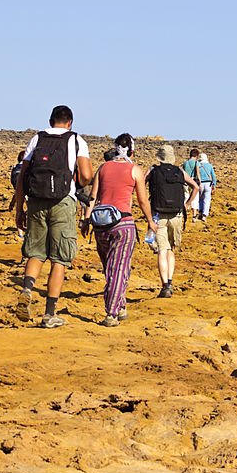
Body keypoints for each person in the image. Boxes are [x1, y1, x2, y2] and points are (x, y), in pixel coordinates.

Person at [12, 105, 93, 328]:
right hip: (63, 202)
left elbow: (22, 177)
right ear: (70, 122)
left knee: (36, 252)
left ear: (51, 120)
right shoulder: (76, 140)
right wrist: (78, 182)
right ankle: (49, 313)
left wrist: (20, 209)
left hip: (36, 200)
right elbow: (86, 175)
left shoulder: (37, 139)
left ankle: (27, 289)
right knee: (59, 258)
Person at [83, 133, 158, 327]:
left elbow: (93, 196)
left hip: (100, 224)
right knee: (119, 268)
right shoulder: (135, 171)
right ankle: (112, 312)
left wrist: (85, 220)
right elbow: (142, 201)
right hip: (123, 224)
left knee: (110, 268)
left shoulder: (103, 168)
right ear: (132, 150)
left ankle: (120, 305)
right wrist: (150, 222)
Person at [146, 145, 199, 298]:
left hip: (158, 214)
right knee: (171, 249)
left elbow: (140, 184)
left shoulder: (153, 170)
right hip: (177, 215)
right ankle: (170, 280)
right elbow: (196, 187)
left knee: (161, 250)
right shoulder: (179, 171)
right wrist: (187, 204)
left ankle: (165, 286)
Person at [8, 150, 27, 237]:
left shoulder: (15, 169)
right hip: (28, 188)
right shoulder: (29, 167)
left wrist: (12, 203)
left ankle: (20, 234)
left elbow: (17, 192)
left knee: (19, 210)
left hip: (18, 186)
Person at [195, 152, 217, 221]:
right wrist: (214, 184)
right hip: (208, 184)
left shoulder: (198, 164)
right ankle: (204, 215)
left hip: (200, 183)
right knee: (207, 199)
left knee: (200, 198)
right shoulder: (209, 165)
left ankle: (200, 212)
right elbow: (213, 176)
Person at [181, 148, 200, 218]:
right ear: (197, 155)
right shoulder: (196, 163)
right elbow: (197, 173)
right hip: (193, 180)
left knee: (186, 195)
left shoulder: (185, 163)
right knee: (194, 196)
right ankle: (194, 215)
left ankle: (184, 211)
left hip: (185, 180)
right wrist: (199, 181)